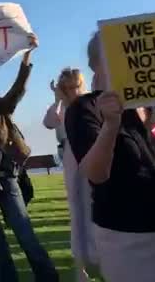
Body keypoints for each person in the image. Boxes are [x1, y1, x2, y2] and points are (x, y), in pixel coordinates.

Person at [65, 33, 155, 282]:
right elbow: (95, 174)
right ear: (97, 64)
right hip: (130, 236)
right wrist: (110, 125)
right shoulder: (87, 107)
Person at [0, 38, 59, 282]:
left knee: (25, 233)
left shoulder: (1, 107)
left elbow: (18, 89)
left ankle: (48, 278)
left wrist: (27, 57)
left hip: (7, 180)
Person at [42, 68, 96, 281]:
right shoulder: (61, 107)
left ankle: (100, 257)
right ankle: (80, 267)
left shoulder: (90, 101)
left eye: (75, 86)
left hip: (91, 151)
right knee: (76, 209)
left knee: (95, 205)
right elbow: (49, 122)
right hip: (70, 154)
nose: (72, 91)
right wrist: (57, 99)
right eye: (66, 87)